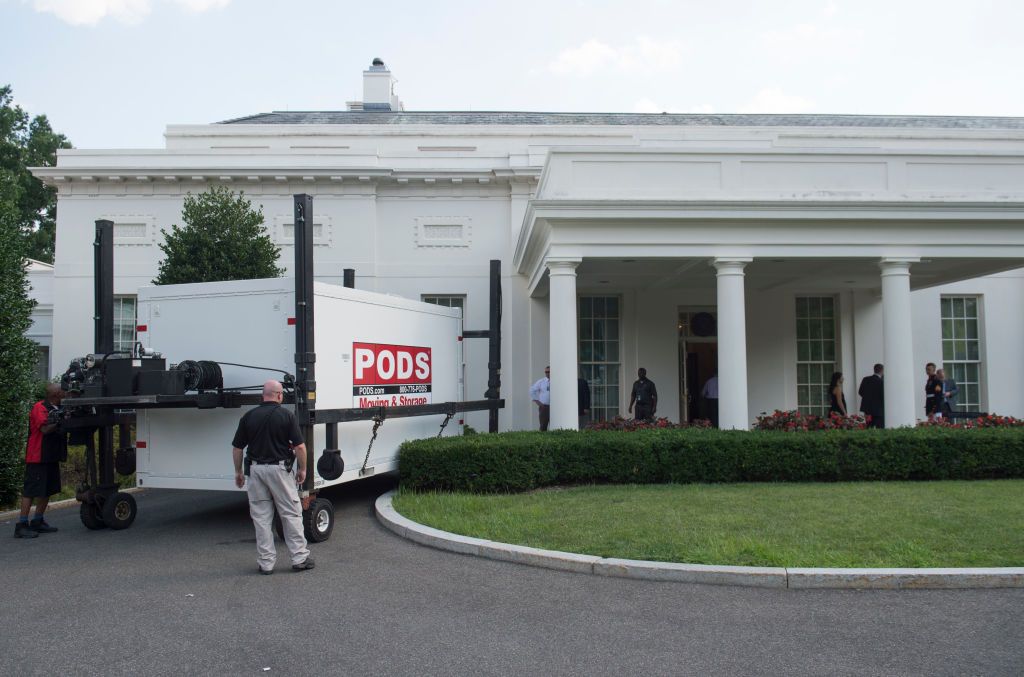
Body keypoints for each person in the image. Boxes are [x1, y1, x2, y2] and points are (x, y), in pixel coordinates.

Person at [231, 380, 314, 574]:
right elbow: (300, 446)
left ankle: (266, 563)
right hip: (279, 471)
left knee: (261, 518)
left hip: (256, 471)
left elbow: (237, 448)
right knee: (291, 514)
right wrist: (303, 469)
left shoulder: (248, 416)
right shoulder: (286, 416)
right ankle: (299, 558)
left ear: (263, 395)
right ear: (279, 395)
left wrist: (238, 472)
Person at [15, 384, 68, 539]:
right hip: (37, 457)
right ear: (56, 394)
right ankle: (21, 525)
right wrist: (59, 421)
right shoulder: (40, 407)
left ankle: (38, 520)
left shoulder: (58, 407)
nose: (65, 393)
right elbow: (44, 429)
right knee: (31, 490)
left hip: (50, 456)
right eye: (63, 391)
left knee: (47, 489)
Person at [858, 363, 884, 428]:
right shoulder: (881, 381)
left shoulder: (865, 379)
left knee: (869, 426)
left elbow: (860, 392)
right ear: (882, 370)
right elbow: (883, 395)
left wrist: (868, 399)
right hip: (879, 409)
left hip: (867, 408)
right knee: (880, 427)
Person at [530, 366, 551, 431]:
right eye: (546, 372)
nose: (547, 373)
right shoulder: (542, 381)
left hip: (555, 408)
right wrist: (537, 401)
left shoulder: (558, 381)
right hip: (544, 407)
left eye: (549, 372)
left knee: (556, 426)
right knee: (543, 427)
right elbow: (532, 390)